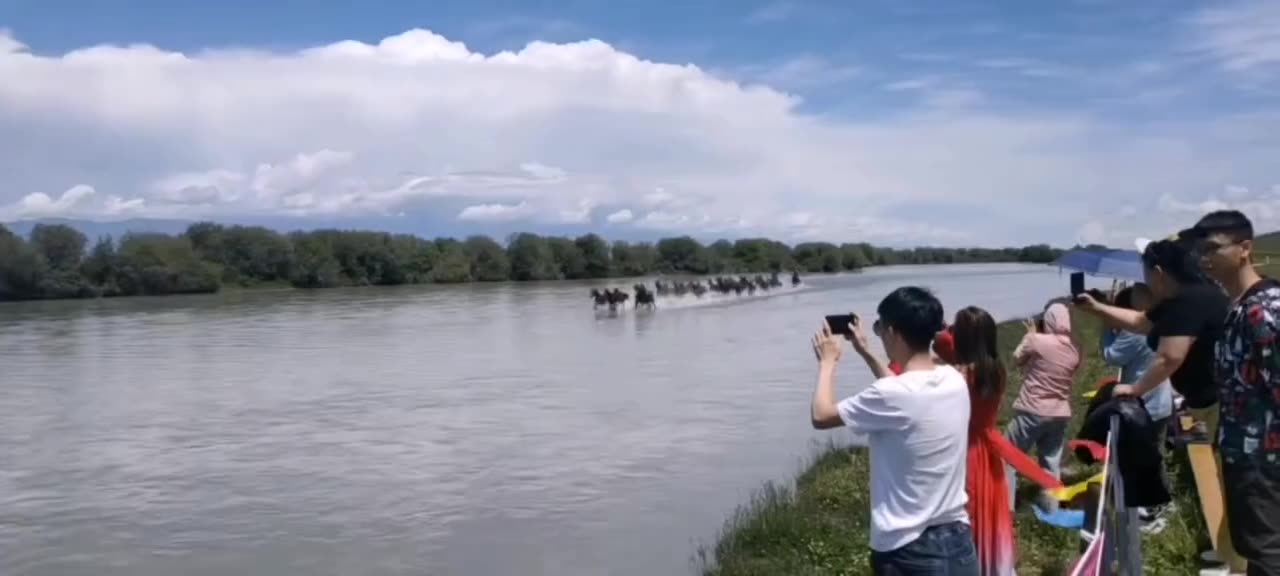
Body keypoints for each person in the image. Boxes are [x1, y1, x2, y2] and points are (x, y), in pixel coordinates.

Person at [1075, 236, 1238, 571]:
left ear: (1160, 272)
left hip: (1224, 404)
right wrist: (1098, 309)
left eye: (1148, 275)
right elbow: (1140, 322)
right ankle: (1228, 552)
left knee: (1231, 482)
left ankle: (1238, 563)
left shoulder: (1189, 302)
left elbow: (1169, 357)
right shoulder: (1183, 297)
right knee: (1222, 482)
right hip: (1210, 401)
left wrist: (1134, 388)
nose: (1147, 283)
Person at [810, 287, 977, 575]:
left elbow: (821, 415)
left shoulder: (892, 395)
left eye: (880, 328)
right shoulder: (954, 380)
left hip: (907, 550)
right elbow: (903, 389)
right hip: (959, 541)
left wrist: (827, 363)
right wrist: (865, 351)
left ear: (893, 332)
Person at [1190, 210, 1280, 576]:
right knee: (1255, 548)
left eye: (1213, 248)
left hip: (1265, 459)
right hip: (1243, 452)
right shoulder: (1239, 306)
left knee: (1269, 551)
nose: (1205, 259)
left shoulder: (1263, 310)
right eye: (1201, 251)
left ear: (1244, 248)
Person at [952, 306, 1063, 576]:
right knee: (990, 508)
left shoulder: (959, 375)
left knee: (970, 509)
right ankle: (997, 563)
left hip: (967, 448)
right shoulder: (995, 369)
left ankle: (976, 563)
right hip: (990, 448)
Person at [1005, 302, 1080, 511]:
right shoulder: (1075, 349)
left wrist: (1029, 335)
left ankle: (1006, 508)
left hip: (1032, 410)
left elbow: (1017, 358)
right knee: (1050, 462)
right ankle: (1051, 508)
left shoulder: (1036, 340)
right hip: (1060, 414)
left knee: (1008, 457)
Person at [1102, 284, 1175, 439]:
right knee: (1153, 452)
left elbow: (1111, 356)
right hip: (1162, 402)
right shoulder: (1162, 321)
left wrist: (1107, 327)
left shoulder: (1133, 331)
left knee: (1134, 454)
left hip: (1141, 405)